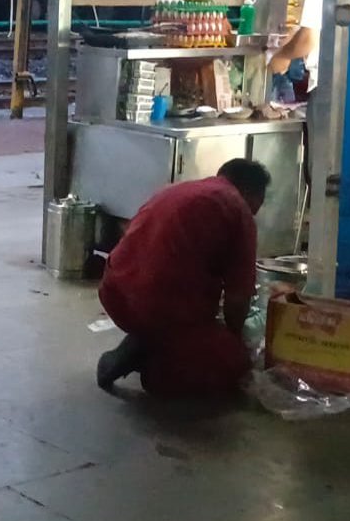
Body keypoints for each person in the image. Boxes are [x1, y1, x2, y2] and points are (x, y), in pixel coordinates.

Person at [96, 160, 271, 398]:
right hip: (156, 307)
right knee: (235, 362)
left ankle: (148, 340)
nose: (256, 213)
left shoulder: (178, 190)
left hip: (115, 291)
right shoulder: (238, 208)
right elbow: (237, 299)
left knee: (195, 329)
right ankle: (155, 366)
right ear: (253, 194)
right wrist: (233, 339)